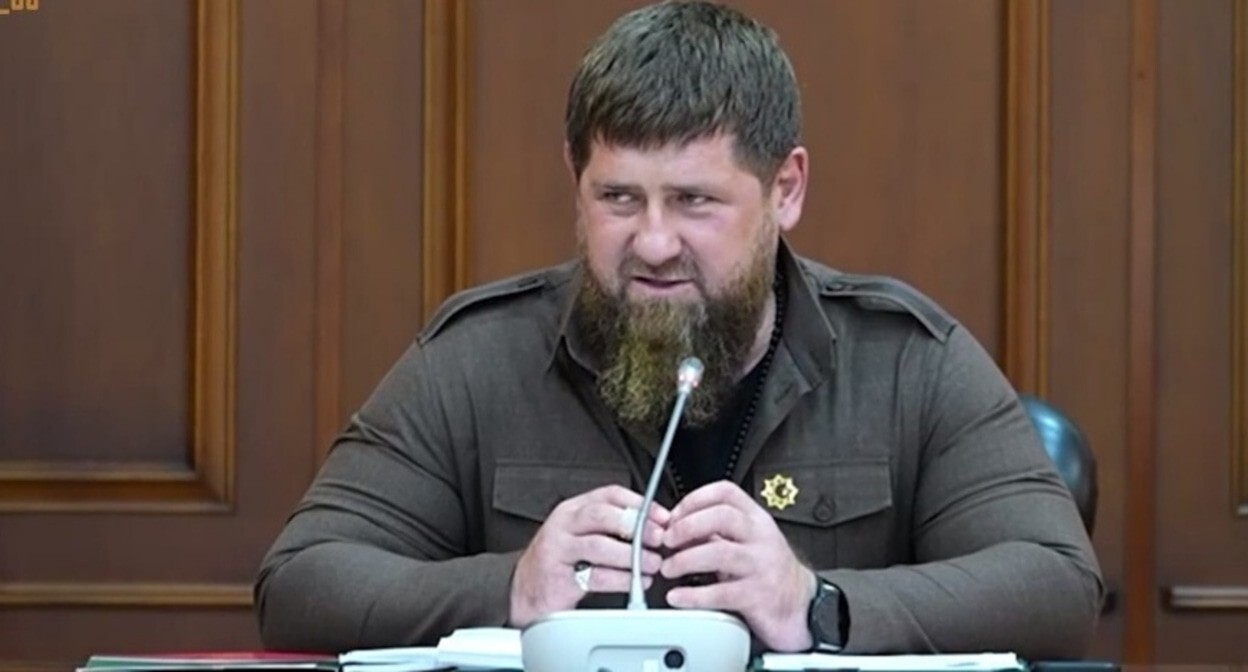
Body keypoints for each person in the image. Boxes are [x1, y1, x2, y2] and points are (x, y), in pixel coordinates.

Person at [255, 0, 1103, 658]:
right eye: (618, 198)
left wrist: (815, 604)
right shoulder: (478, 359)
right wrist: (510, 587)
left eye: (695, 200)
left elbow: (1057, 584)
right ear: (574, 177)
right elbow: (301, 581)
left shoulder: (904, 360)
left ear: (786, 189)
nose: (653, 243)